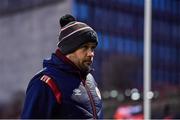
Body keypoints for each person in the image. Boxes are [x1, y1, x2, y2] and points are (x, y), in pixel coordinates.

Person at [21, 14, 103, 119]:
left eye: (92, 48)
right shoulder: (45, 83)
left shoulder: (90, 79)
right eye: (85, 47)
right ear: (69, 49)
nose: (91, 53)